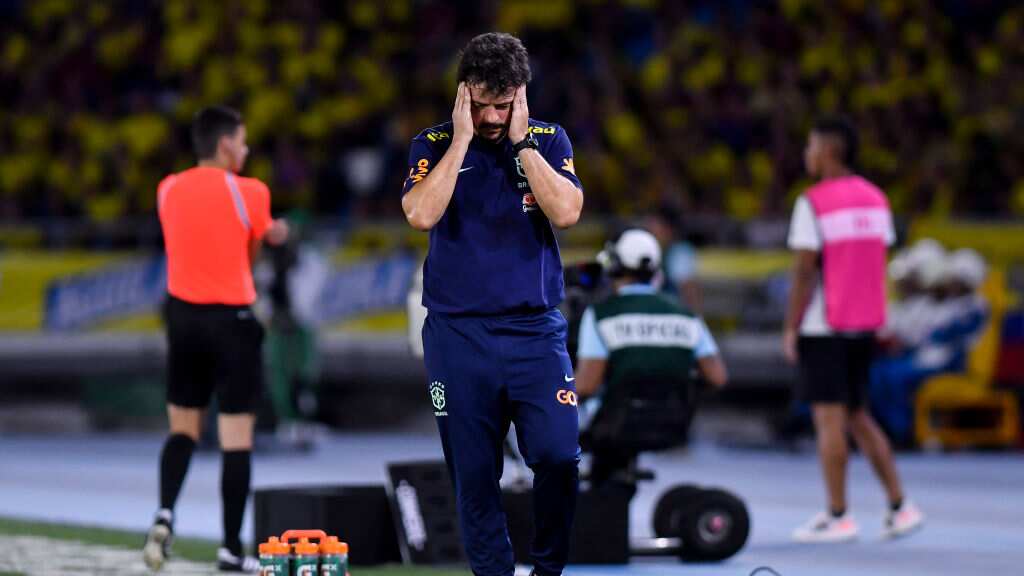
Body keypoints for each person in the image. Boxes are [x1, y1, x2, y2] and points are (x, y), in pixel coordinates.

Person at [401, 32, 584, 576]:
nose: (490, 117)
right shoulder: (432, 143)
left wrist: (523, 145)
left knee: (557, 456)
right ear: (463, 95)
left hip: (534, 333)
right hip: (459, 337)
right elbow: (419, 215)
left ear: (521, 95)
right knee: (474, 474)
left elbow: (567, 212)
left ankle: (547, 570)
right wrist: (459, 144)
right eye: (480, 105)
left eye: (502, 106)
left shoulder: (550, 140)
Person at [145, 105, 289, 572]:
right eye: (243, 142)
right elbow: (257, 247)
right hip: (233, 320)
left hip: (182, 318)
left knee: (183, 430)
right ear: (226, 145)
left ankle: (165, 512)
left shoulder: (167, 189)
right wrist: (276, 232)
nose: (245, 151)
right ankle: (230, 549)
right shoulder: (251, 191)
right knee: (236, 440)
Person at [783, 117, 924, 543]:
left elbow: (805, 273)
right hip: (865, 325)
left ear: (827, 152)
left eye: (809, 147)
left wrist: (791, 327)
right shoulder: (876, 199)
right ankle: (900, 507)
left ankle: (838, 515)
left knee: (830, 421)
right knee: (859, 416)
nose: (806, 155)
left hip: (825, 326)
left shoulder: (814, 202)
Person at [574, 229, 726, 486]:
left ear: (616, 267)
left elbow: (586, 385)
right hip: (672, 423)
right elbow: (717, 377)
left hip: (613, 425)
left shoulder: (601, 314)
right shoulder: (687, 315)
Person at [871, 248, 989, 444]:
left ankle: (902, 433)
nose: (951, 284)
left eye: (957, 280)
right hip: (926, 356)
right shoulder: (943, 303)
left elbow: (946, 335)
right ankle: (885, 427)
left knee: (896, 376)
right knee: (879, 372)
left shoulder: (975, 305)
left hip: (951, 360)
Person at [645, 209, 702, 313]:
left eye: (654, 229)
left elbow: (689, 291)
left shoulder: (680, 252)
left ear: (668, 230)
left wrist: (694, 317)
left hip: (673, 313)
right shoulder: (646, 252)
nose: (650, 234)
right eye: (649, 230)